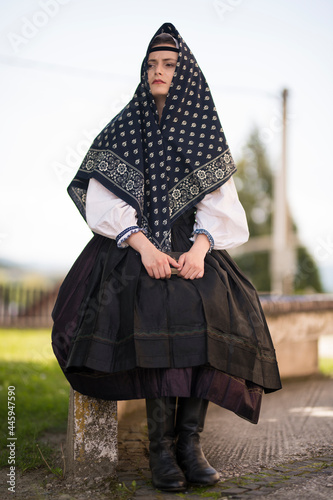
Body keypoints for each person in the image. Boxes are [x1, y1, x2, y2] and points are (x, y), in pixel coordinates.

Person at [52, 23, 282, 493]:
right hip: (131, 245)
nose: (159, 71)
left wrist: (199, 249)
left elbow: (218, 204)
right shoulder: (125, 125)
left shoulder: (202, 126)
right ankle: (160, 451)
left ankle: (189, 447)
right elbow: (103, 202)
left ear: (186, 73)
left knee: (213, 304)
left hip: (194, 243)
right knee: (155, 307)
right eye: (152, 64)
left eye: (169, 65)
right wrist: (142, 245)